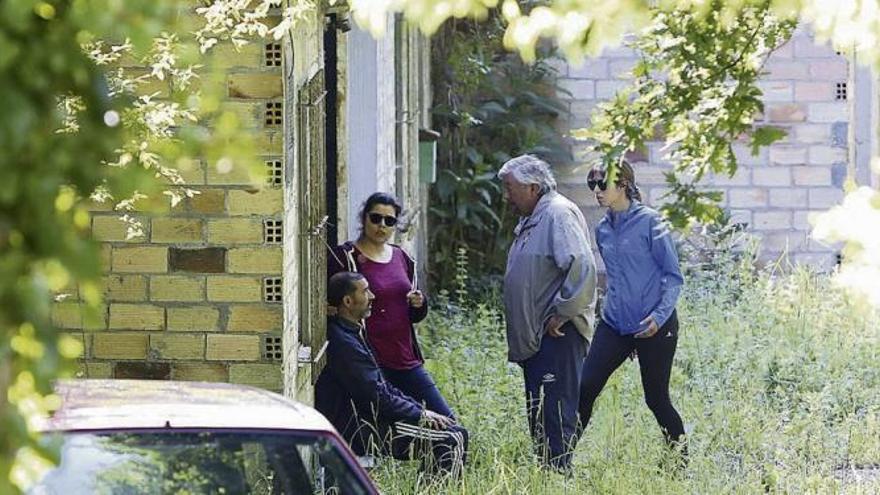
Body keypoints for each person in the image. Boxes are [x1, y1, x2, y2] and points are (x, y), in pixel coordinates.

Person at [577, 160, 686, 455]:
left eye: (603, 184)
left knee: (656, 399)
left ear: (624, 184)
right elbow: (615, 279)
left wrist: (658, 317)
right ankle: (560, 462)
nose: (596, 190)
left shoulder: (652, 222)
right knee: (584, 388)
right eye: (592, 184)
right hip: (614, 325)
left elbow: (674, 276)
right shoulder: (602, 229)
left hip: (655, 325)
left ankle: (679, 462)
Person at [498, 154, 598, 471]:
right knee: (540, 411)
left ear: (532, 187)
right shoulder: (536, 216)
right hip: (538, 337)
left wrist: (563, 312)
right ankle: (547, 475)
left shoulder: (557, 214)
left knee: (555, 412)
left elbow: (581, 266)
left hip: (557, 334)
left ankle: (557, 476)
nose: (507, 195)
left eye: (510, 187)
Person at [315, 272, 468, 476]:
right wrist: (419, 414)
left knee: (455, 432)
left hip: (375, 417)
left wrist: (420, 410)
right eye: (365, 291)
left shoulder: (352, 332)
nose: (372, 296)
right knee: (451, 439)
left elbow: (383, 388)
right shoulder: (343, 343)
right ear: (348, 301)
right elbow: (376, 397)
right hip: (362, 428)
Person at [327, 192, 455, 420]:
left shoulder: (401, 257)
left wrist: (419, 303)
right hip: (369, 360)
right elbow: (329, 304)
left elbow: (412, 314)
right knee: (390, 429)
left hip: (405, 357)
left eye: (389, 221)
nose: (381, 226)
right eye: (375, 218)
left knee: (445, 421)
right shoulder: (344, 258)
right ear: (363, 218)